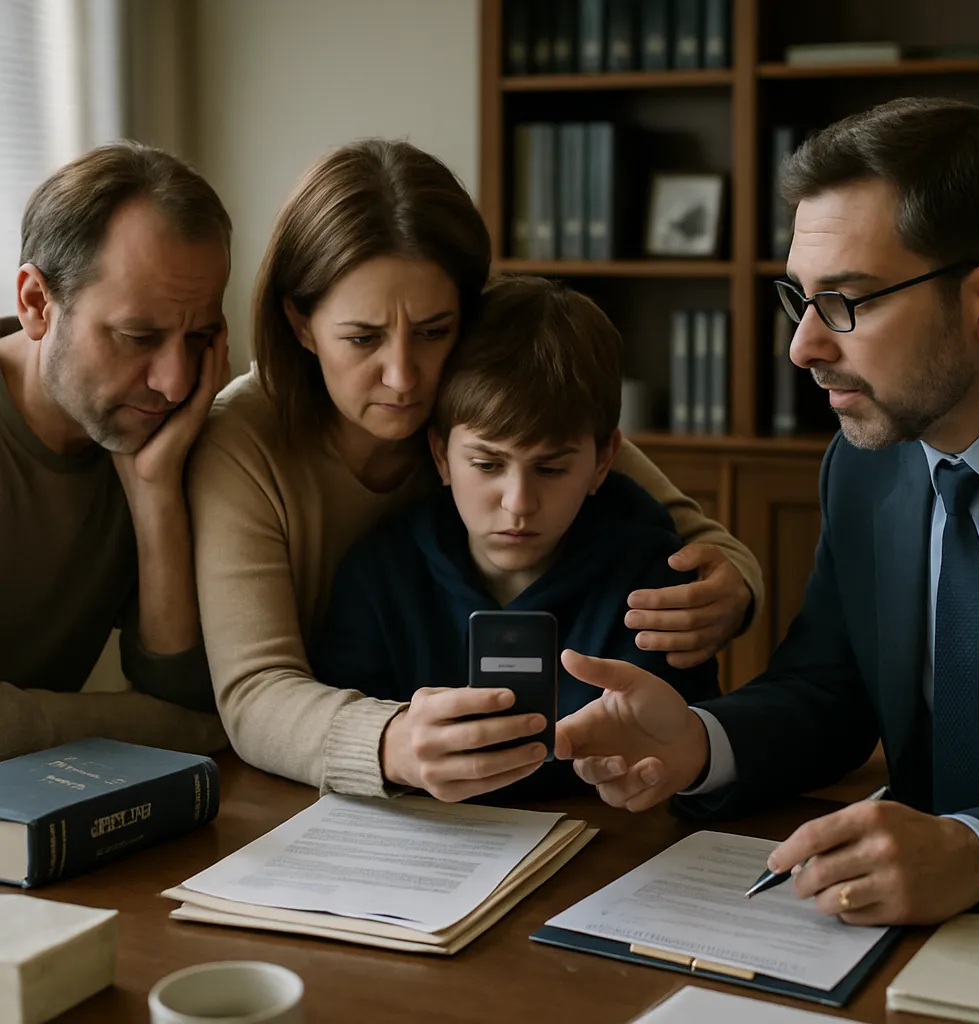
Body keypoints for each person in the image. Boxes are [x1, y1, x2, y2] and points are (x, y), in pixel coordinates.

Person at [554, 97, 979, 925]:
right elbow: (830, 690)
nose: (803, 345)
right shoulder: (868, 469)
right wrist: (699, 743)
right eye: (799, 298)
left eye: (849, 300)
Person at [187, 139, 763, 799]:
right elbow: (256, 691)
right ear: (300, 322)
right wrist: (394, 742)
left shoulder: (483, 393)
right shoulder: (244, 441)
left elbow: (676, 524)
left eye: (434, 331)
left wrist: (735, 584)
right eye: (362, 337)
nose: (405, 378)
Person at [309, 275, 720, 802]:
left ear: (603, 462)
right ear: (440, 456)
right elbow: (345, 763)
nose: (518, 503)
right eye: (487, 464)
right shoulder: (378, 575)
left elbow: (696, 758)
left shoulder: (656, 586)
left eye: (550, 469)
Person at [1, 141, 232, 760]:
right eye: (138, 337)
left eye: (201, 336)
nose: (176, 382)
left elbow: (187, 702)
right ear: (36, 304)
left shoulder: (173, 434)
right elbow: (189, 732)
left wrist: (155, 492)